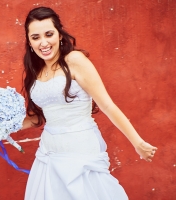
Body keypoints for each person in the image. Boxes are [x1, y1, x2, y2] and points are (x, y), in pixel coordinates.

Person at [20, 6, 157, 200]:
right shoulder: (37, 71)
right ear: (29, 41)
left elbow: (107, 105)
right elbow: (42, 116)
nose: (43, 43)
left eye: (49, 34)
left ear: (59, 35)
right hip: (49, 151)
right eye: (35, 37)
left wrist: (138, 142)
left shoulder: (74, 60)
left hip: (80, 148)